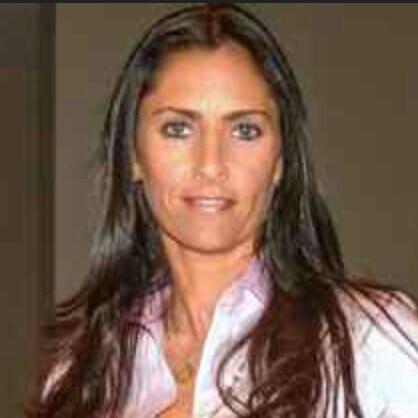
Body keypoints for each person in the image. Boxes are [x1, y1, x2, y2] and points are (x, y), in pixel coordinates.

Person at [26, 4, 418, 418]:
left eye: (245, 130)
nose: (211, 163)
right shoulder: (82, 370)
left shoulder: (370, 341)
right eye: (178, 128)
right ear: (133, 155)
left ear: (280, 161)